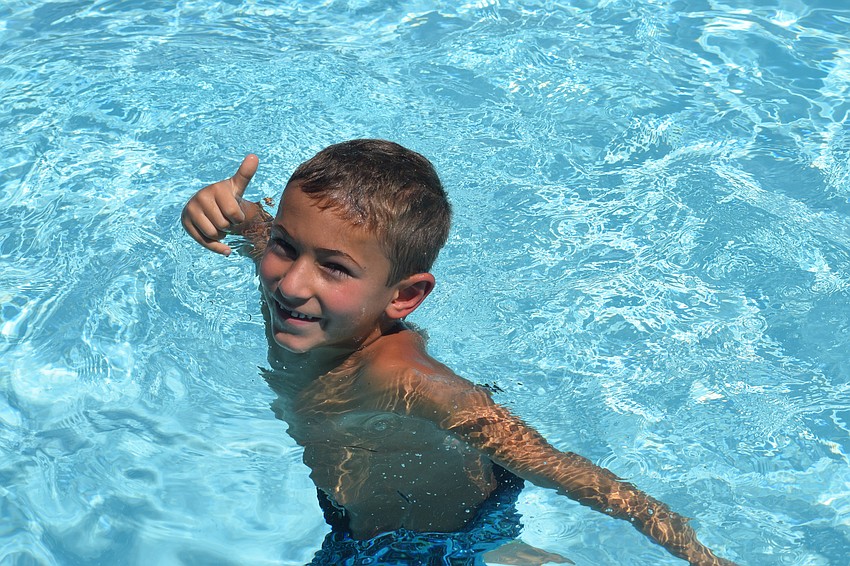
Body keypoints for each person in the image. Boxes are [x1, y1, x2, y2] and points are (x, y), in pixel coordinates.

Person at [181, 139, 734, 565]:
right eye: (284, 247)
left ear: (404, 297)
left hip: (438, 536)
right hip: (351, 508)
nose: (291, 284)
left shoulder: (407, 379)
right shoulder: (294, 289)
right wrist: (227, 213)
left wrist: (694, 552)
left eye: (334, 268)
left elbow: (559, 468)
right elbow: (257, 231)